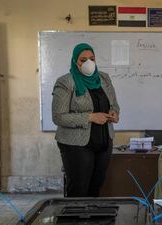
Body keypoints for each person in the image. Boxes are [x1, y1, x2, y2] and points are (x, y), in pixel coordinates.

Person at [52, 43, 119, 197]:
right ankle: (74, 220)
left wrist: (114, 113)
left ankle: (92, 219)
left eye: (92, 59)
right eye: (83, 60)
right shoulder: (65, 82)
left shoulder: (103, 78)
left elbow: (114, 104)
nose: (88, 63)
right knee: (78, 190)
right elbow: (58, 117)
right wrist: (90, 117)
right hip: (76, 145)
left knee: (96, 188)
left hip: (104, 141)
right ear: (75, 61)